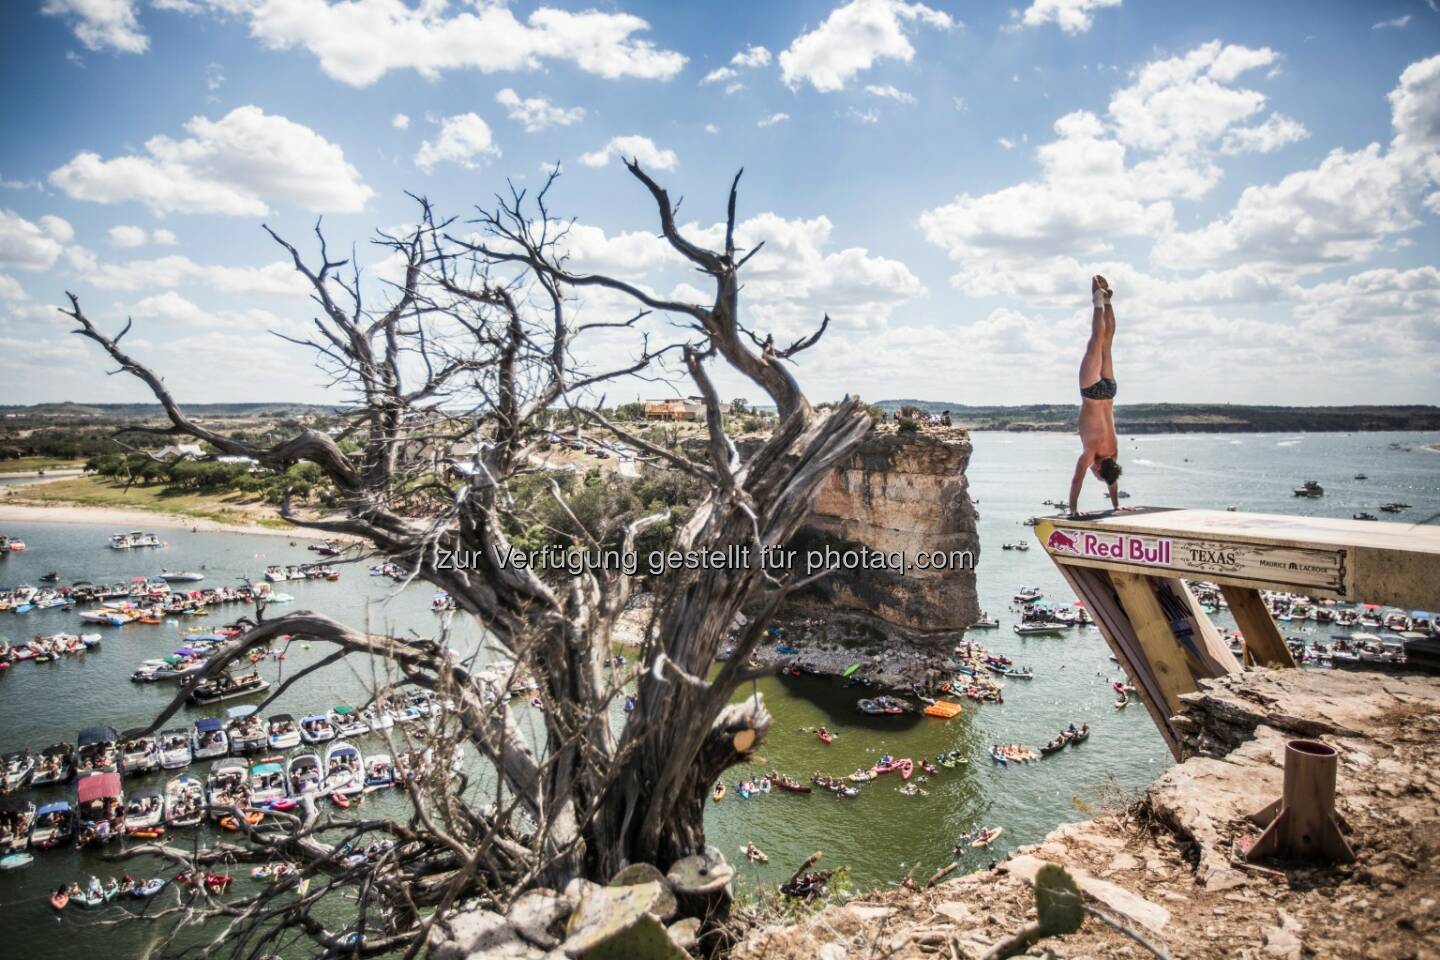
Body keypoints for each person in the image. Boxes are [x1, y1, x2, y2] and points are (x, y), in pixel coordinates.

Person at [1069, 275, 1123, 516]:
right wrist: (1073, 510)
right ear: (1099, 469)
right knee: (1096, 340)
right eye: (1097, 475)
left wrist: (1116, 504)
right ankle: (1098, 302)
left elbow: (1113, 480)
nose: (1094, 473)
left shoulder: (1113, 452)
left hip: (1109, 392)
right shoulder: (1091, 453)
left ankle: (1108, 303)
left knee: (1107, 343)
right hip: (1092, 392)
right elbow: (1076, 482)